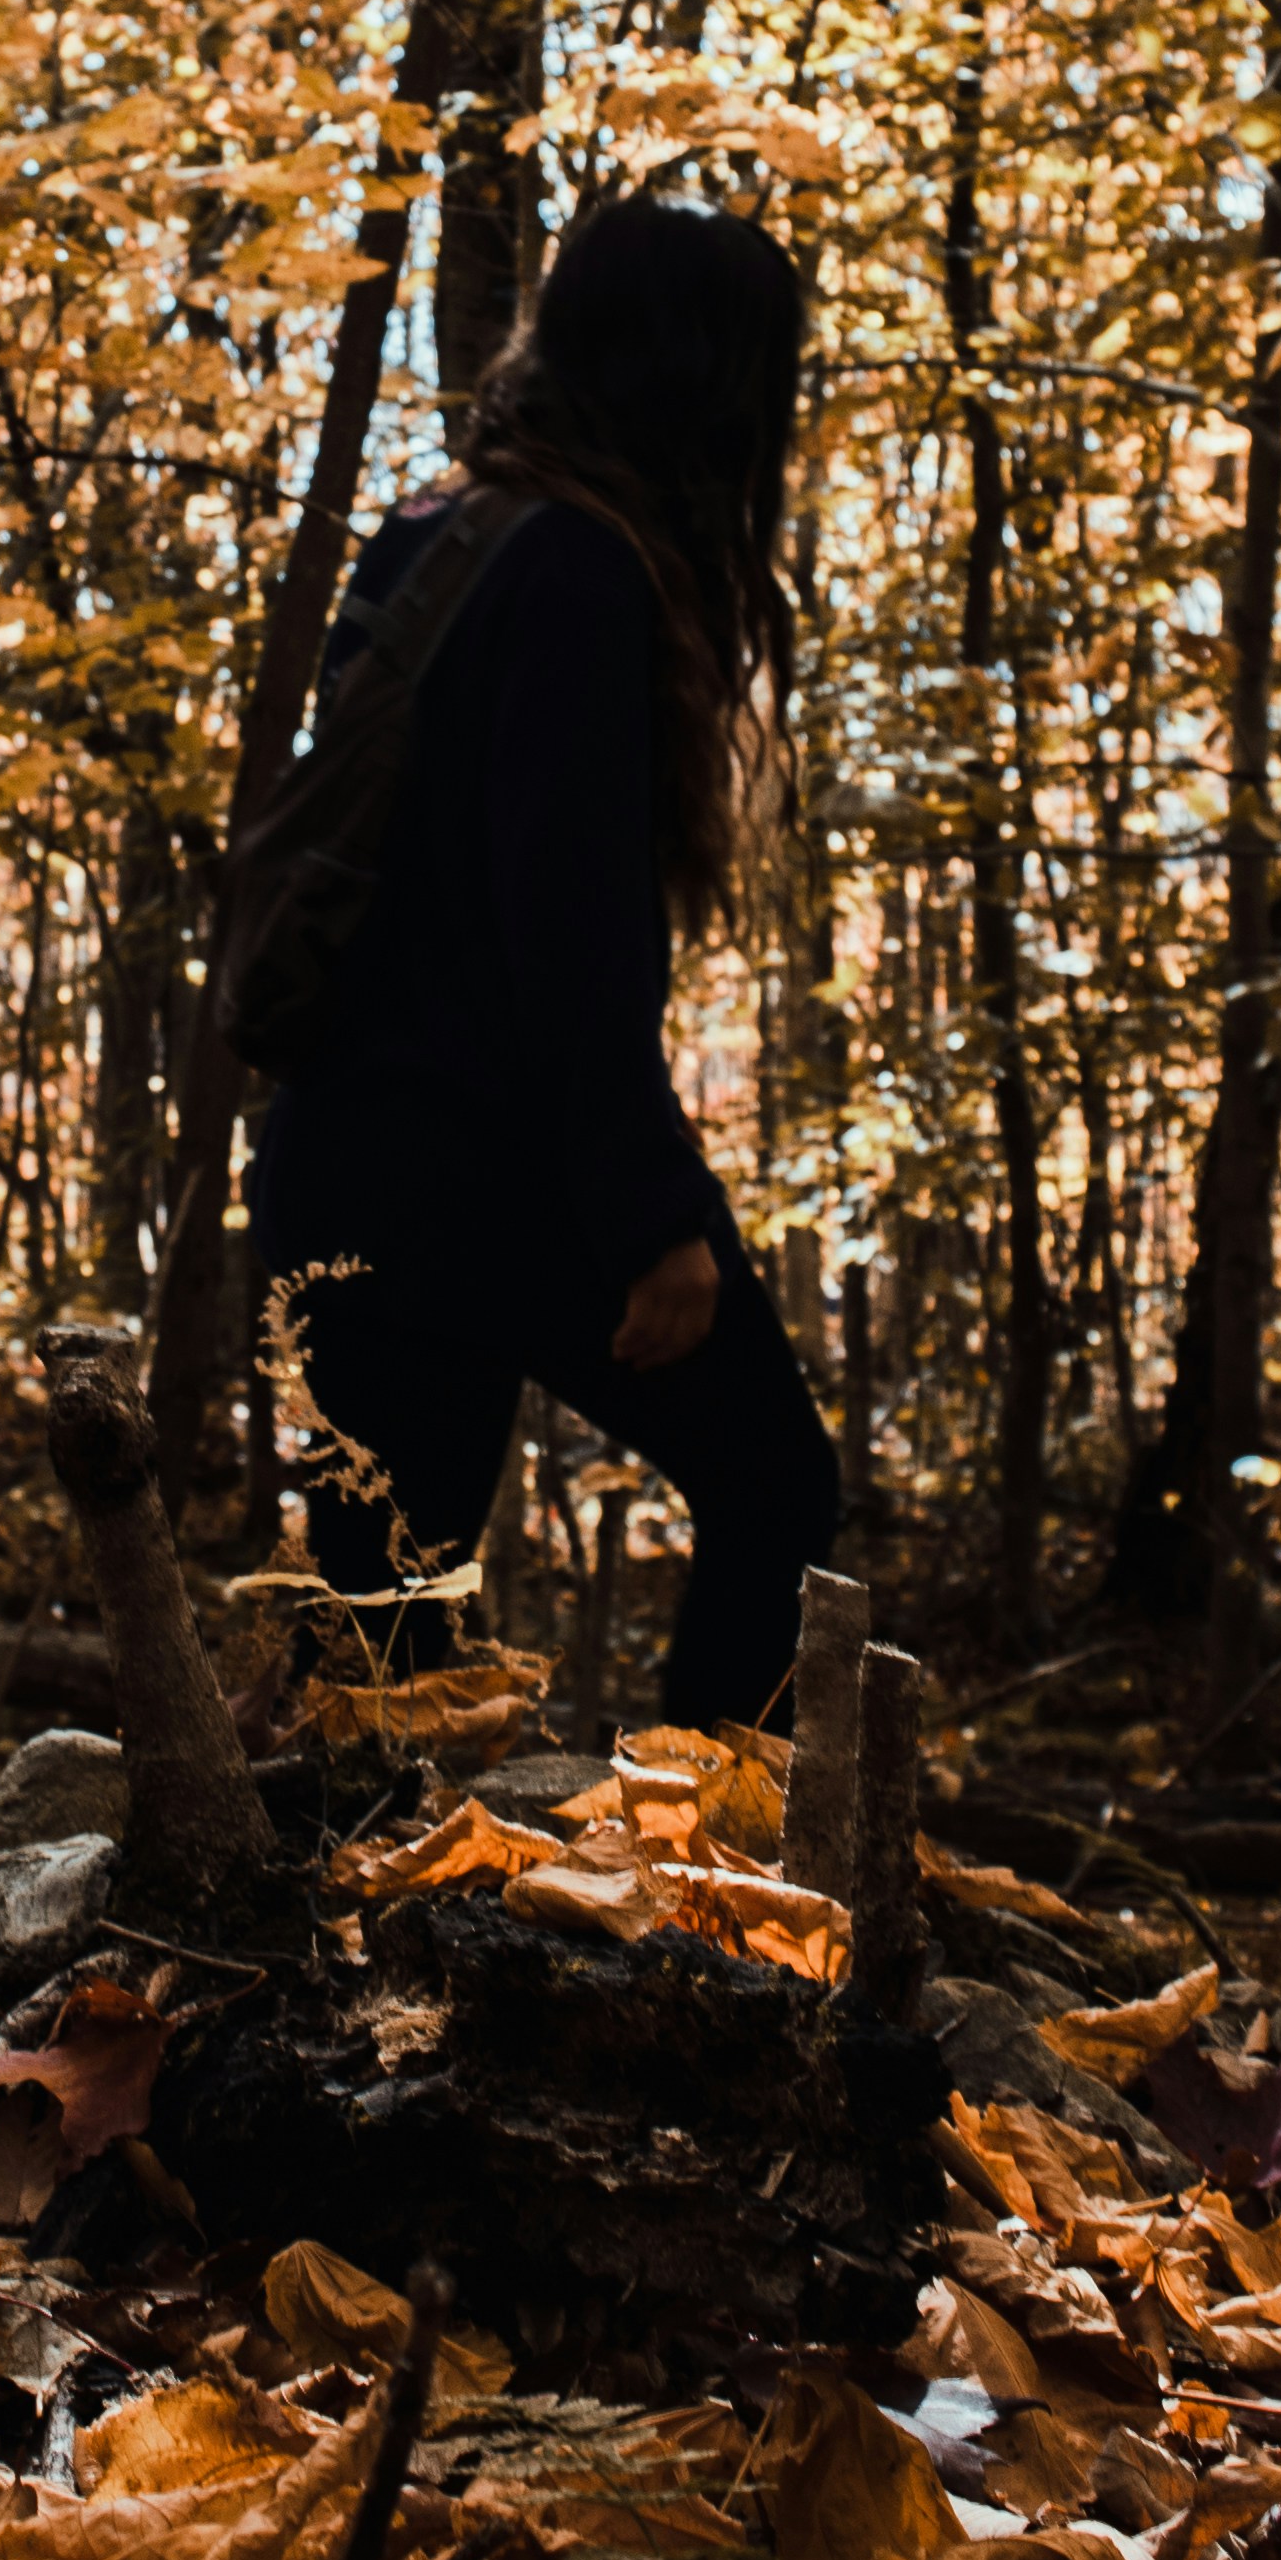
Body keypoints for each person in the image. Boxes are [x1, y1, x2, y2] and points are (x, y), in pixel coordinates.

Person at [246, 194, 841, 1724]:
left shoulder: (442, 531)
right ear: (700, 382)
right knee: (777, 1492)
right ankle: (703, 1890)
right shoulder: (578, 573)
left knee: (384, 1657)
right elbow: (566, 936)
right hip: (470, 1165)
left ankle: (392, 1938)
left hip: (351, 1154)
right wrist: (654, 1220)